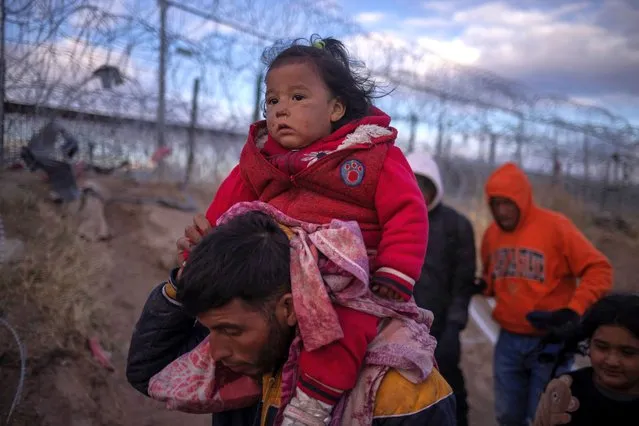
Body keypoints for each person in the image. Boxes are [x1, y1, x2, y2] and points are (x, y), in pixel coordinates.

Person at [175, 35, 428, 424]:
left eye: (297, 98)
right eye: (272, 100)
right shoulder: (261, 161)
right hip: (274, 279)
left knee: (342, 330)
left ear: (336, 108)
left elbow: (407, 213)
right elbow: (222, 211)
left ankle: (312, 404)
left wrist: (395, 271)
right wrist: (200, 255)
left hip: (345, 280)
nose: (281, 111)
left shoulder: (372, 155)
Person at [127, 210, 456, 426]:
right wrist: (184, 283)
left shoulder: (401, 389)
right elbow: (151, 373)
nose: (214, 352)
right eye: (212, 330)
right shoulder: (255, 350)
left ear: (288, 308)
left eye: (230, 330)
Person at [479, 162, 613, 426]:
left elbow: (599, 269)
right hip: (508, 341)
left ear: (523, 199)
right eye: (496, 203)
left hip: (550, 342)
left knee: (543, 417)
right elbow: (493, 279)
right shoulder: (492, 234)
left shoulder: (555, 227)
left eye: (508, 203)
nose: (502, 211)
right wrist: (482, 286)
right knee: (507, 414)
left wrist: (574, 309)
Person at [406, 152, 476, 426]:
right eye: (413, 183)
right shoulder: (387, 220)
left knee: (448, 389)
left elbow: (463, 283)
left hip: (441, 329)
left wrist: (454, 329)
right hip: (397, 326)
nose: (419, 192)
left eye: (426, 185)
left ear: (436, 188)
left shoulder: (457, 226)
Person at [533, 293, 639, 425]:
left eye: (627, 352)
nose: (612, 361)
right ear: (589, 344)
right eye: (602, 347)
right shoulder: (563, 391)